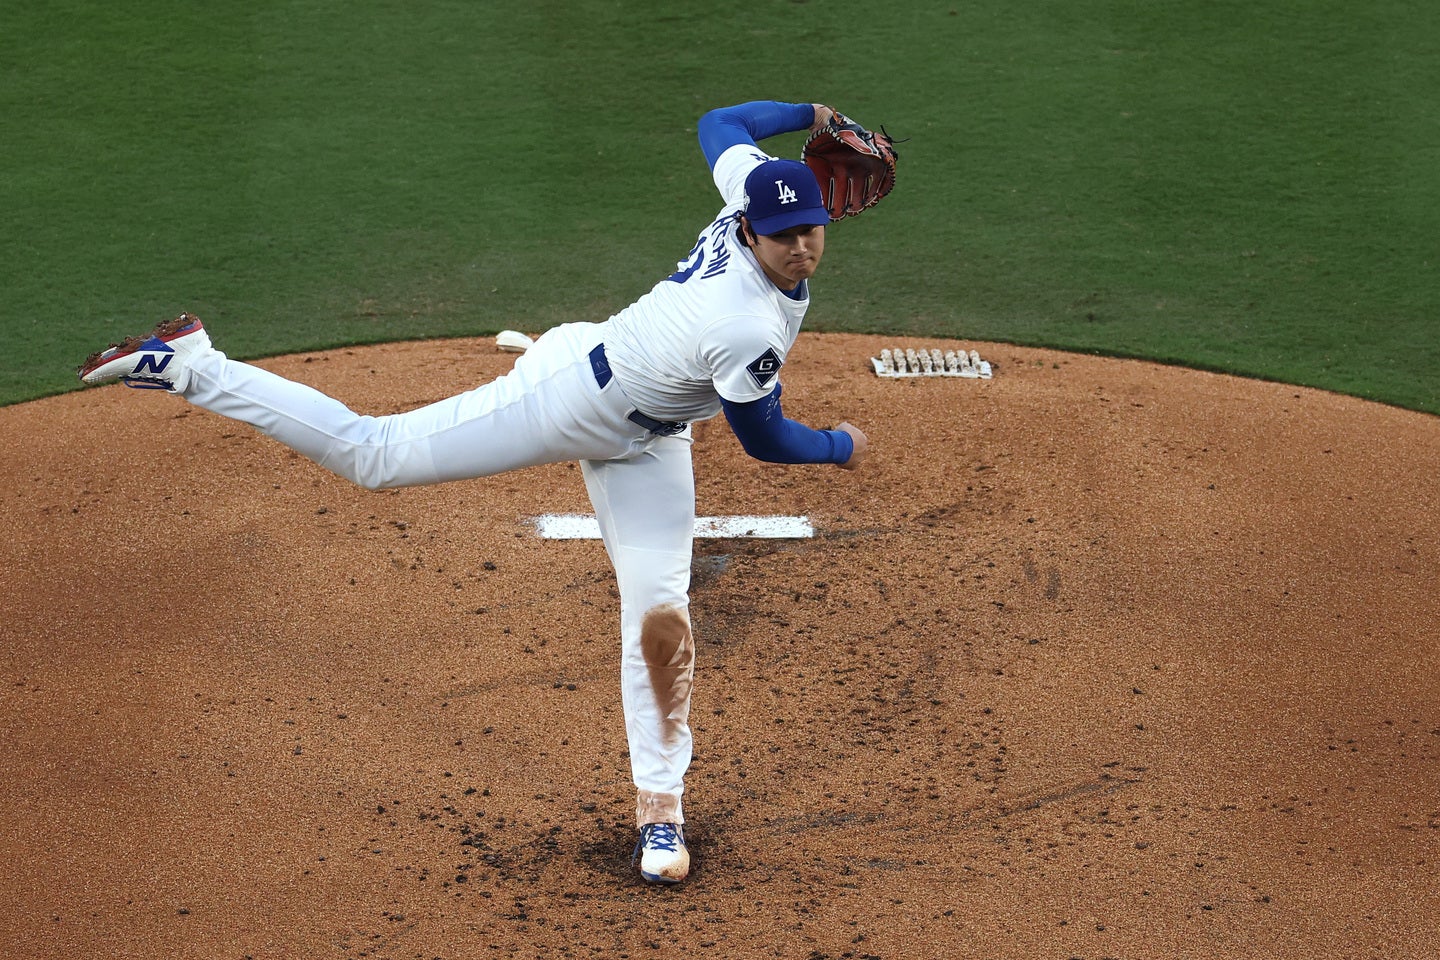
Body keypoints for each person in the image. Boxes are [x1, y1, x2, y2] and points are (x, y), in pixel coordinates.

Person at [79, 99, 869, 885]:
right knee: (375, 456)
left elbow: (720, 126)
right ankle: (192, 364)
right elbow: (765, 439)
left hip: (651, 433)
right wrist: (838, 446)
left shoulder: (749, 194)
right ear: (749, 229)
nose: (801, 247)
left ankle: (660, 812)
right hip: (572, 398)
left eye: (810, 230)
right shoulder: (744, 326)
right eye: (785, 236)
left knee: (661, 614)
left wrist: (808, 111)